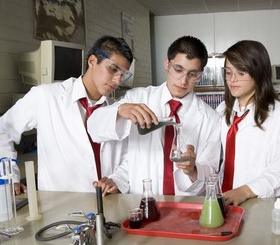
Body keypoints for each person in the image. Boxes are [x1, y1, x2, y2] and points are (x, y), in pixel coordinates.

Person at [0, 35, 134, 196]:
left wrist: (117, 180)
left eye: (123, 74)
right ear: (92, 61)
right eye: (113, 69)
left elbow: (127, 156)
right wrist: (9, 177)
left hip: (106, 203)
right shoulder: (45, 96)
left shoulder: (116, 110)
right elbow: (4, 131)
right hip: (59, 206)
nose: (117, 80)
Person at [88, 36, 221, 195]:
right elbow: (94, 128)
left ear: (200, 74)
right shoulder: (136, 98)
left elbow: (211, 171)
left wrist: (193, 170)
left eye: (192, 74)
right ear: (167, 64)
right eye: (178, 69)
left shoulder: (211, 119)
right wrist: (120, 110)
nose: (183, 80)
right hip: (143, 200)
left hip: (187, 206)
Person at [216, 40, 280, 206]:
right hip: (222, 199)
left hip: (257, 202)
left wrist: (245, 191)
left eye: (241, 73)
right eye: (228, 72)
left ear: (258, 73)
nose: (232, 80)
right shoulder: (223, 109)